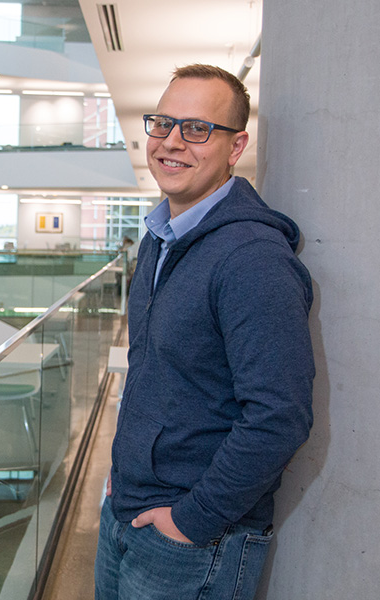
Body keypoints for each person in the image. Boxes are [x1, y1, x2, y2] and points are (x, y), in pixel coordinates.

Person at [94, 64, 315, 599]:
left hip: (191, 542)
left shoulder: (251, 259)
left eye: (196, 128)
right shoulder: (158, 236)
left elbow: (278, 416)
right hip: (124, 510)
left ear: (235, 147)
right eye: (163, 123)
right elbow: (156, 371)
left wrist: (192, 520)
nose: (172, 142)